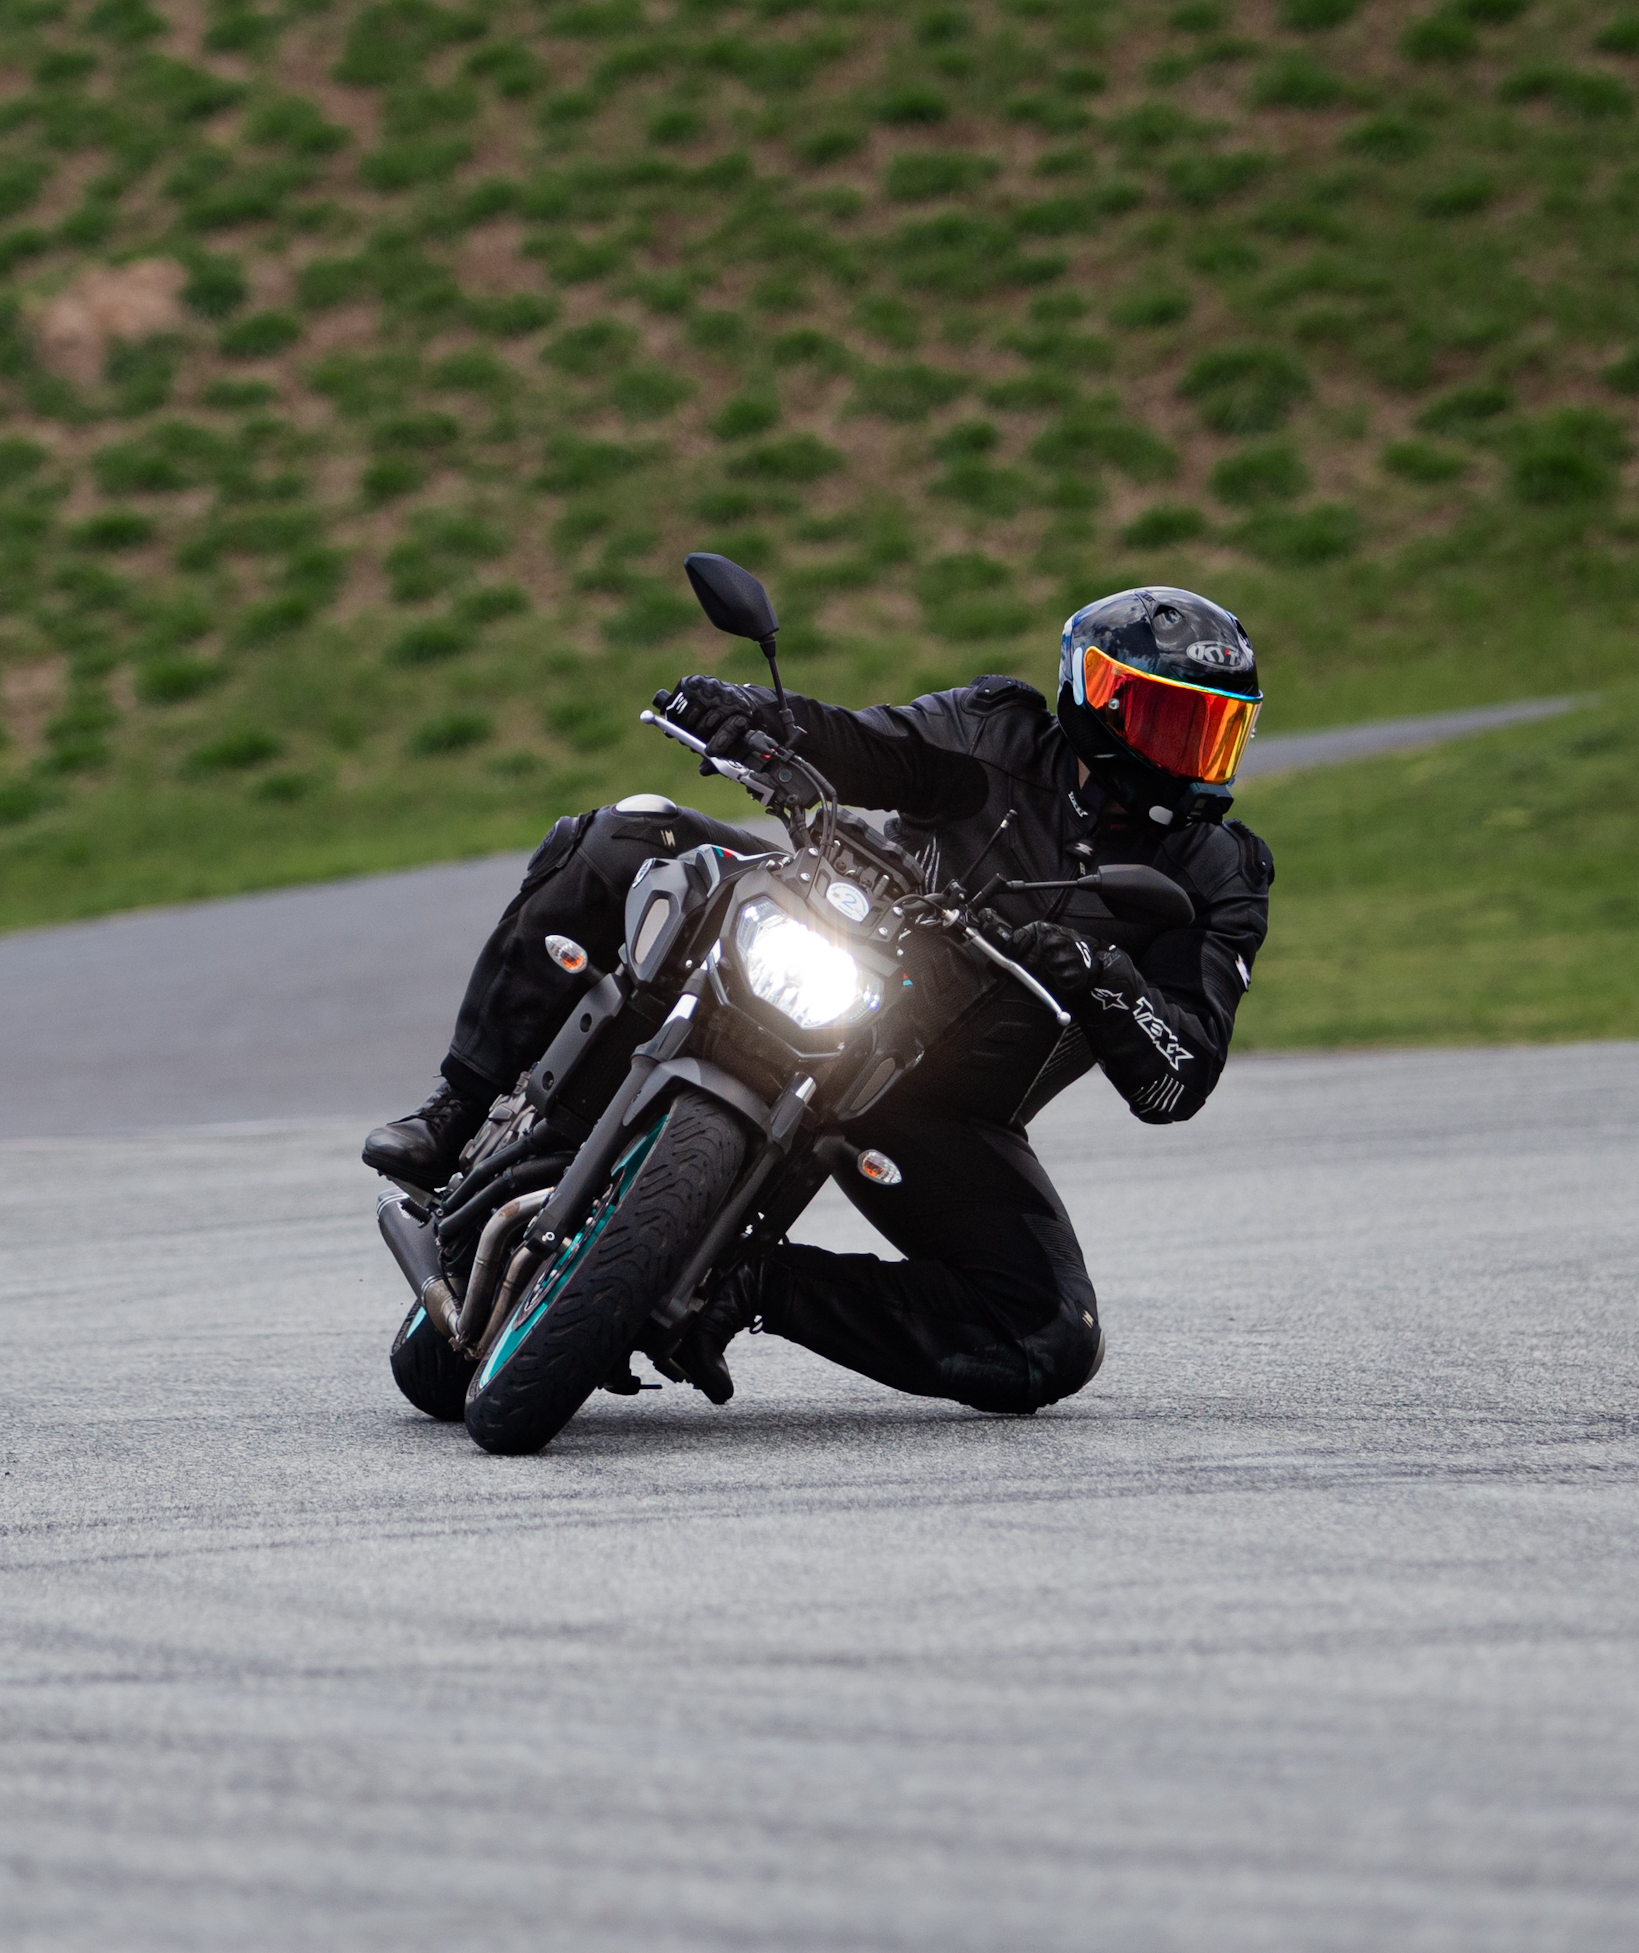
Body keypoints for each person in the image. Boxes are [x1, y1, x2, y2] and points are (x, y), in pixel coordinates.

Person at [364, 585, 1274, 1417]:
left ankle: (745, 1283)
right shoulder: (996, 737)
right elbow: (862, 745)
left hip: (936, 1102)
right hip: (850, 942)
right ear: (1097, 697)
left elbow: (1178, 1079)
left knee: (1050, 1335)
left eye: (1213, 731)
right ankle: (456, 1106)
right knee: (625, 834)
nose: (1188, 754)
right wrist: (751, 715)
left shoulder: (1216, 876)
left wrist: (1102, 976)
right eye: (1168, 720)